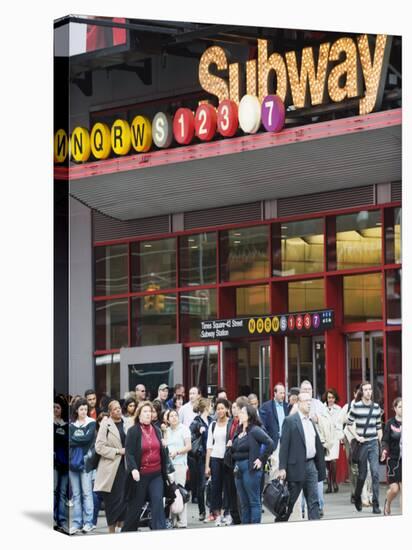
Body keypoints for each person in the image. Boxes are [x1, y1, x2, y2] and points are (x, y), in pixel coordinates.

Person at [277, 392, 326, 521]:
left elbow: (315, 443)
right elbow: (284, 446)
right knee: (289, 502)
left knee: (313, 501)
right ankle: (280, 522)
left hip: (311, 466)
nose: (309, 404)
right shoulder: (290, 421)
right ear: (298, 403)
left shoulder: (311, 421)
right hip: (295, 467)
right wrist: (282, 467)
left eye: (310, 401)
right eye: (305, 401)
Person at [122, 401, 168, 532]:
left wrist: (163, 445)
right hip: (140, 475)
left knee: (158, 502)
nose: (148, 414)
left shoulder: (157, 430)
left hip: (156, 474)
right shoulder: (133, 431)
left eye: (150, 411)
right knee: (135, 508)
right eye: (145, 412)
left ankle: (159, 532)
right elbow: (129, 453)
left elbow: (160, 451)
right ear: (139, 415)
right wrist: (134, 469)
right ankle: (126, 533)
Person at [231, 404, 275, 524]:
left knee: (254, 501)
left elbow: (270, 443)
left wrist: (261, 459)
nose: (240, 414)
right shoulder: (239, 430)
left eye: (243, 412)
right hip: (238, 468)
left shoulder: (255, 430)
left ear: (249, 416)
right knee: (244, 502)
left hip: (250, 469)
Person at [346, 381, 383, 514]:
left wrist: (382, 445)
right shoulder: (356, 406)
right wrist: (357, 436)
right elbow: (348, 424)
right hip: (362, 444)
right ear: (362, 391)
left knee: (375, 473)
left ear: (372, 391)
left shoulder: (376, 407)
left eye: (370, 389)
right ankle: (357, 497)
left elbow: (379, 427)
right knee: (362, 475)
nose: (368, 392)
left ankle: (376, 504)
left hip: (373, 443)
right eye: (366, 389)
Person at [94, 400, 127, 533]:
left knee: (124, 500)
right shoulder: (105, 424)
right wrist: (118, 451)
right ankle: (111, 531)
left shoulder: (127, 423)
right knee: (112, 502)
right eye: (115, 409)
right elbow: (99, 447)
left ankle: (121, 529)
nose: (118, 410)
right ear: (110, 412)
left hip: (125, 467)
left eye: (119, 408)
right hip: (110, 468)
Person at [69, 398, 96, 534]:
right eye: (81, 409)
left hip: (86, 460)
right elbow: (68, 440)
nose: (84, 411)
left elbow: (88, 439)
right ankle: (77, 522)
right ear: (76, 410)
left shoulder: (91, 423)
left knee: (87, 493)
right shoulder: (71, 424)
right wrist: (77, 440)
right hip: (73, 461)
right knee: (76, 494)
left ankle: (88, 522)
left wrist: (74, 439)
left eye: (86, 409)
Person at [205, 398, 230, 525]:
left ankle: (227, 513)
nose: (220, 411)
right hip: (215, 458)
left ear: (226, 409)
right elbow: (209, 446)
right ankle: (217, 514)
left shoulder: (231, 423)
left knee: (228, 486)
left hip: (227, 459)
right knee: (216, 487)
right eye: (218, 408)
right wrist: (207, 466)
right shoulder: (213, 425)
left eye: (222, 408)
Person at [224, 397, 249, 525]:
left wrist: (232, 443)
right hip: (230, 461)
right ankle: (235, 517)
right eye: (233, 408)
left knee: (241, 493)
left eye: (237, 408)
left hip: (240, 462)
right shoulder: (231, 422)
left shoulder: (246, 425)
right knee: (231, 491)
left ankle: (241, 518)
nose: (234, 410)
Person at [166, 409, 192, 528]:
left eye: (176, 415)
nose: (174, 417)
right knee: (171, 493)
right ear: (168, 419)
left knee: (180, 492)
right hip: (169, 466)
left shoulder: (184, 429)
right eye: (171, 416)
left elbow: (188, 446)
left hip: (180, 464)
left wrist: (177, 452)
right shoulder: (166, 431)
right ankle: (173, 520)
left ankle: (182, 521)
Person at [189, 397, 213, 521]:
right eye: (211, 405)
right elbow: (190, 437)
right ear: (206, 408)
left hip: (213, 455)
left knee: (213, 484)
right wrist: (199, 431)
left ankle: (214, 510)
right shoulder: (195, 421)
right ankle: (202, 511)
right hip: (201, 457)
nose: (212, 407)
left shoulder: (211, 420)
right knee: (201, 485)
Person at [259, 383, 289, 481]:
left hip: (286, 442)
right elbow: (263, 427)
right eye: (281, 393)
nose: (283, 395)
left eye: (284, 393)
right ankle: (274, 493)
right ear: (274, 393)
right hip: (274, 443)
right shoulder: (266, 407)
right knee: (274, 471)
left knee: (286, 469)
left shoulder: (287, 406)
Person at [179, 386, 201, 501]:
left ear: (199, 395)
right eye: (190, 393)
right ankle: (194, 494)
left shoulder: (201, 408)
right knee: (192, 470)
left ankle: (198, 493)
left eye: (194, 393)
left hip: (200, 441)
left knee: (199, 469)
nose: (191, 395)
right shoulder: (183, 408)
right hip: (188, 441)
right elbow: (180, 424)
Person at [381, 397, 402, 515]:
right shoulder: (390, 423)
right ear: (394, 408)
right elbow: (385, 440)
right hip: (393, 460)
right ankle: (388, 503)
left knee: (404, 490)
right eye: (400, 407)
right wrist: (384, 450)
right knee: (395, 489)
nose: (403, 409)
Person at [323, 388, 343, 493]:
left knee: (334, 461)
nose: (330, 399)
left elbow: (340, 424)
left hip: (334, 437)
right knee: (326, 461)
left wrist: (340, 437)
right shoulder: (322, 408)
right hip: (326, 437)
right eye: (329, 397)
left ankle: (334, 481)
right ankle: (329, 484)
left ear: (335, 399)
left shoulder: (338, 409)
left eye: (332, 397)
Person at [54, 398, 69, 532]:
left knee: (62, 492)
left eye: (57, 407)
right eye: (53, 407)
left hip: (64, 462)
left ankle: (62, 520)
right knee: (54, 491)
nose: (55, 409)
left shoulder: (66, 425)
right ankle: (52, 518)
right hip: (53, 463)